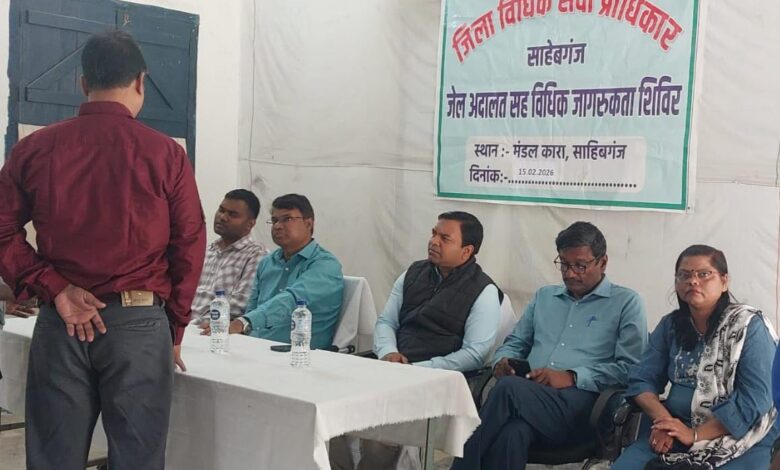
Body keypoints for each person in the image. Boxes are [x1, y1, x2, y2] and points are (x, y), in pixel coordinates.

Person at [0, 30, 206, 470]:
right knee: (137, 460)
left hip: (62, 322)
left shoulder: (33, 149)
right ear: (141, 82)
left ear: (82, 83)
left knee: (53, 459)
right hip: (139, 323)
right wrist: (174, 327)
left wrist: (54, 287)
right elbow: (189, 243)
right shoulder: (166, 154)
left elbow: (2, 230)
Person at [451, 221, 648, 470]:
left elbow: (631, 369)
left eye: (580, 266)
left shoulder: (626, 303)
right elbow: (515, 342)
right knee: (512, 433)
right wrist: (503, 361)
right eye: (564, 264)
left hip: (584, 407)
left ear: (603, 262)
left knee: (508, 389)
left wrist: (572, 377)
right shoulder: (545, 297)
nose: (570, 273)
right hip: (529, 397)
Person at [332, 211, 502, 470]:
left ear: (466, 251)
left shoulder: (484, 291)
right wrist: (388, 353)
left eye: (445, 238)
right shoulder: (413, 273)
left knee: (380, 441)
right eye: (434, 234)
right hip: (390, 370)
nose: (433, 241)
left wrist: (417, 369)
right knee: (330, 415)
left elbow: (474, 354)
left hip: (434, 383)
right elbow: (386, 322)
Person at [612, 245, 779, 469]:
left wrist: (695, 434)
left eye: (704, 274)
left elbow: (755, 400)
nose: (693, 281)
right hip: (675, 430)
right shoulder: (671, 325)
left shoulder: (749, 327)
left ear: (724, 281)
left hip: (742, 436)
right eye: (684, 275)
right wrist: (666, 424)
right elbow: (641, 380)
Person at [201, 193, 343, 349]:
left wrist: (242, 323)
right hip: (254, 347)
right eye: (274, 220)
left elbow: (291, 300)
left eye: (287, 219)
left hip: (298, 353)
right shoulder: (267, 262)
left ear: (308, 224)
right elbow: (252, 308)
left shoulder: (325, 265)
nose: (278, 226)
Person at [191, 189, 267, 320]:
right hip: (182, 325)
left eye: (233, 214)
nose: (222, 217)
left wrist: (200, 324)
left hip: (213, 327)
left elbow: (241, 303)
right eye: (221, 210)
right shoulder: (206, 251)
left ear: (250, 224)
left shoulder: (256, 254)